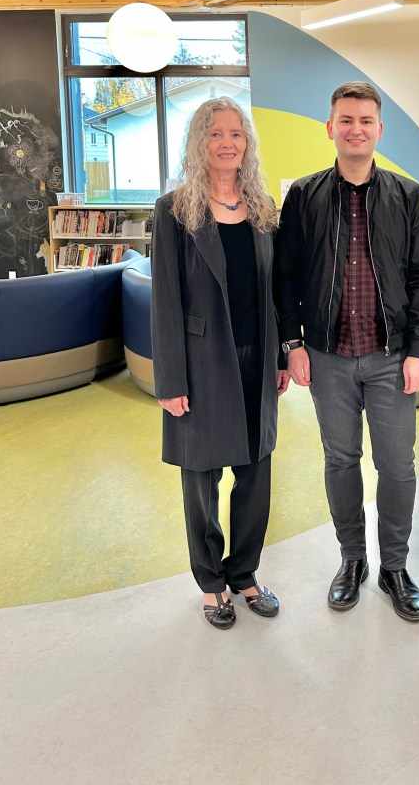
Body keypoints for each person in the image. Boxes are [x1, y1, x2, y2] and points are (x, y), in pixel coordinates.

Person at [276, 81, 419, 622]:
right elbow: (287, 276)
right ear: (330, 128)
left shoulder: (408, 196)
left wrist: (418, 350)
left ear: (379, 130)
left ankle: (394, 567)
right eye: (346, 119)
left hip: (392, 357)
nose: (356, 129)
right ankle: (352, 560)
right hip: (328, 356)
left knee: (397, 467)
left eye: (366, 120)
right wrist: (293, 342)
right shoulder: (303, 195)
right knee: (341, 459)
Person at [151, 97, 289, 630]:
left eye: (236, 133)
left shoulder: (262, 208)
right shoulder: (173, 210)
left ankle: (245, 573)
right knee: (202, 480)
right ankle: (211, 584)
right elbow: (164, 301)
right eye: (215, 134)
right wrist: (170, 380)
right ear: (198, 143)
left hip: (257, 360)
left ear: (247, 144)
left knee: (255, 475)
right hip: (202, 362)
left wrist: (279, 356)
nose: (227, 142)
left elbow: (273, 293)